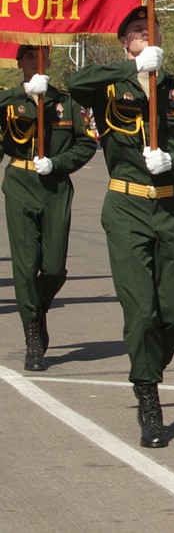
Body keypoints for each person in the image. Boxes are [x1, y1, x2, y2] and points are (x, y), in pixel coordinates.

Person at [68, 5, 174, 448]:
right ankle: (148, 395)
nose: (145, 36)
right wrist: (131, 68)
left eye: (150, 31)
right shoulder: (110, 85)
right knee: (141, 311)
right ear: (125, 43)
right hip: (125, 207)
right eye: (136, 32)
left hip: (172, 210)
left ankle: (148, 370)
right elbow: (74, 85)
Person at [1, 44, 96, 371]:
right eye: (30, 56)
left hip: (54, 186)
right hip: (20, 183)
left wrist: (57, 162)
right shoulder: (9, 101)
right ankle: (32, 333)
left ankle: (37, 307)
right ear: (19, 62)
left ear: (50, 60)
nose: (37, 62)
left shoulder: (65, 102)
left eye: (42, 56)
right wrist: (22, 93)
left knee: (54, 267)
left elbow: (86, 143)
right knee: (25, 265)